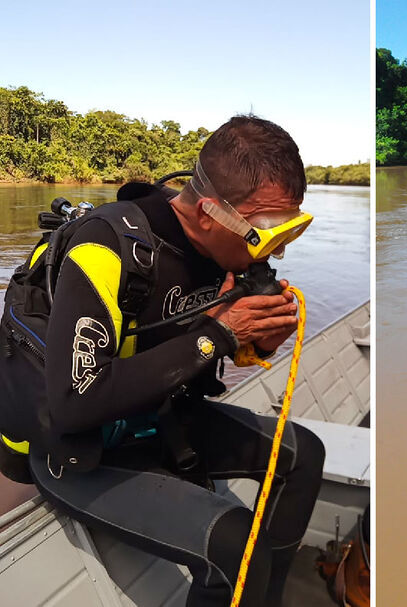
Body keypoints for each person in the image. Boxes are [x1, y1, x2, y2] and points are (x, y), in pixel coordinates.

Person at [0, 116, 325, 606]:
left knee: (303, 456)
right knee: (235, 545)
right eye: (267, 231)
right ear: (211, 213)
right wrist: (220, 332)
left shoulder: (228, 254)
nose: (277, 246)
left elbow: (207, 347)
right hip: (79, 447)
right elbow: (74, 404)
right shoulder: (107, 249)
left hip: (155, 418)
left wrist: (259, 342)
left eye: (290, 229)